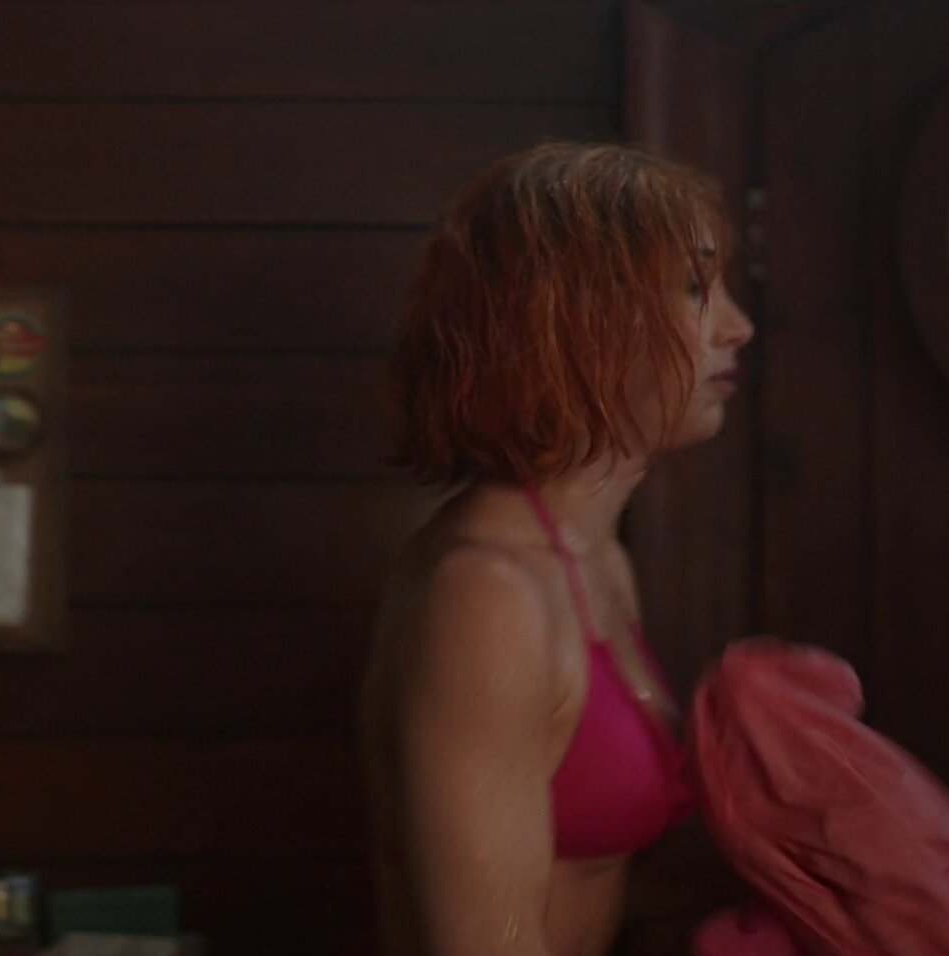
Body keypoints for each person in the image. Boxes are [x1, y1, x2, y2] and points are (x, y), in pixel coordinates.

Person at [358, 142, 755, 956]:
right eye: (694, 288)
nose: (736, 326)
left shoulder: (594, 560)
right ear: (581, 324)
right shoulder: (486, 597)